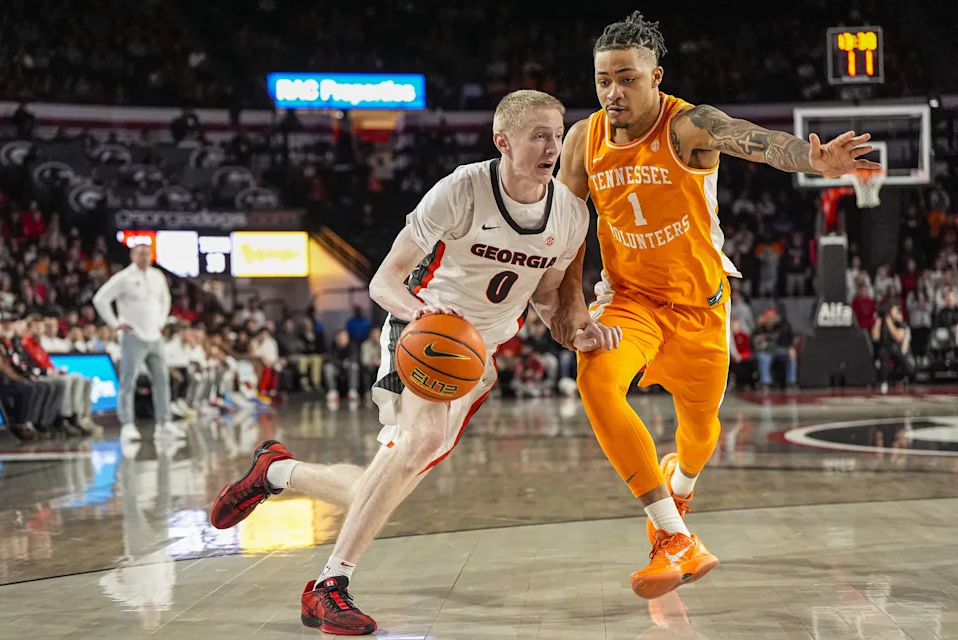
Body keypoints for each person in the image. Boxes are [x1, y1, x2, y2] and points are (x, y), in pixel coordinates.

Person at [209, 89, 620, 635]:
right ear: (503, 141)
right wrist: (422, 311)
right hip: (423, 330)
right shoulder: (462, 190)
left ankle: (277, 470)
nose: (553, 145)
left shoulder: (570, 215)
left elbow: (548, 301)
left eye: (558, 133)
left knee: (373, 492)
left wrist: (584, 333)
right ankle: (328, 587)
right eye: (539, 134)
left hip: (474, 359)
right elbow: (384, 280)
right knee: (420, 442)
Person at [549, 11, 878, 600]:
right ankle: (674, 538)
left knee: (700, 436)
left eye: (627, 78)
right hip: (632, 303)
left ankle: (681, 484)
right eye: (603, 80)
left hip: (701, 308)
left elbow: (758, 141)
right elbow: (570, 232)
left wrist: (814, 161)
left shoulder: (687, 126)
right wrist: (571, 309)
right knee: (595, 380)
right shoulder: (583, 139)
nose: (612, 92)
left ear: (657, 78)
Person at [92, 244, 179, 441]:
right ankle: (127, 424)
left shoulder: (158, 276)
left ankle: (164, 423)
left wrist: (161, 322)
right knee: (128, 381)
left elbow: (166, 299)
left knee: (162, 380)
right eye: (140, 253)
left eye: (147, 254)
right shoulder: (124, 277)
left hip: (154, 336)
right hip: (133, 335)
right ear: (132, 256)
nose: (144, 257)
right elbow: (100, 299)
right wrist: (115, 323)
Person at [872, 300, 916, 393]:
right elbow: (875, 337)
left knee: (899, 355)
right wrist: (878, 321)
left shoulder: (899, 322)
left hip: (898, 349)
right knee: (883, 353)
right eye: (894, 310)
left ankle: (904, 377)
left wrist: (889, 322)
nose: (895, 312)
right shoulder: (882, 322)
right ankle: (883, 381)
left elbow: (898, 337)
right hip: (885, 348)